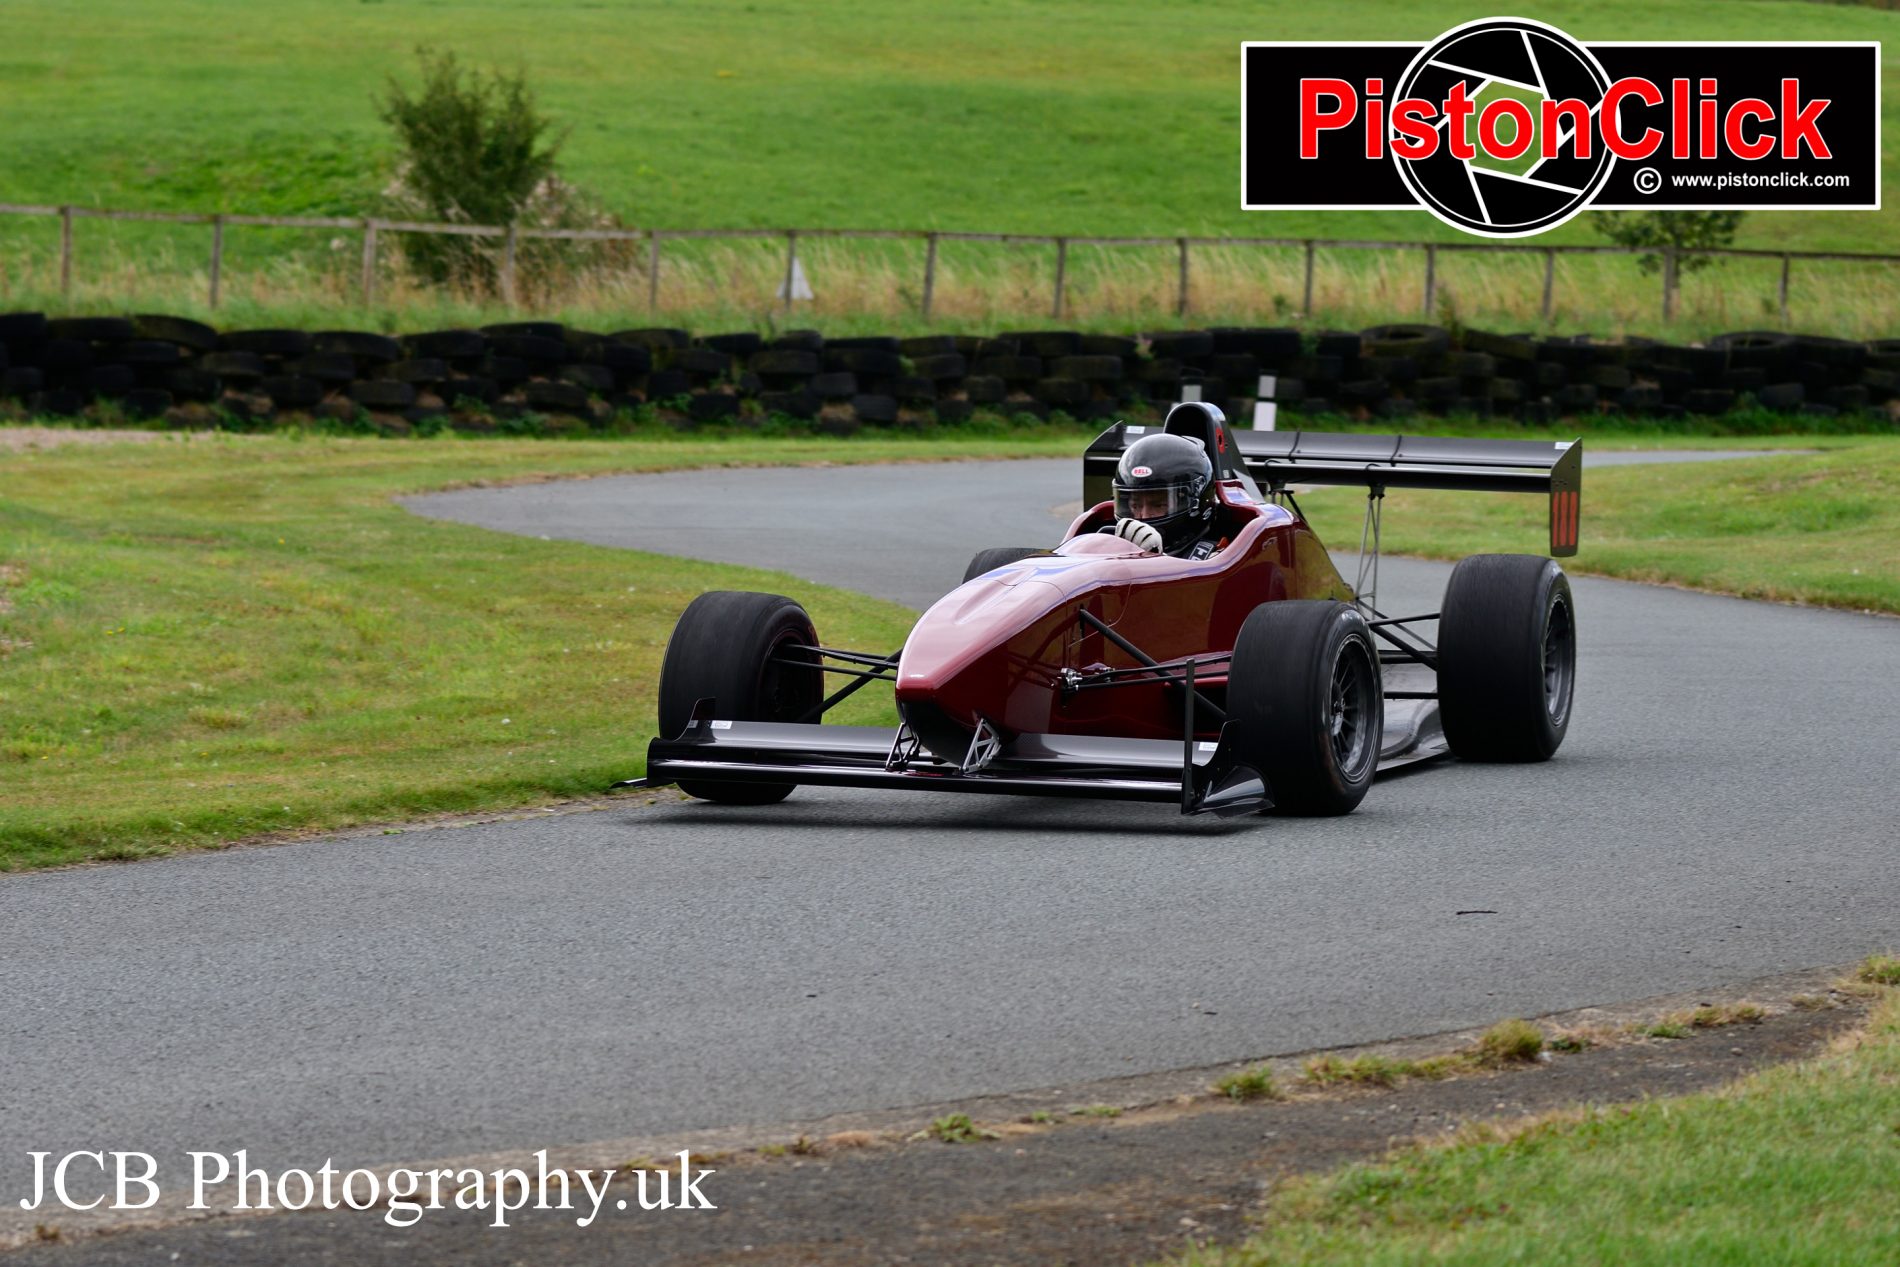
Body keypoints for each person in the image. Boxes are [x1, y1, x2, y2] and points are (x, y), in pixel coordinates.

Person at [1108, 432, 1221, 559]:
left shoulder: (1214, 559)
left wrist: (1154, 558)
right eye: (1135, 505)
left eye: (1158, 505)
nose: (1144, 516)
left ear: (1196, 503)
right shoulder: (1104, 535)